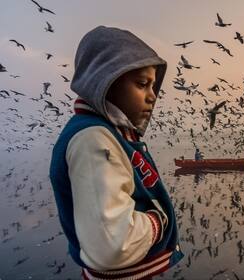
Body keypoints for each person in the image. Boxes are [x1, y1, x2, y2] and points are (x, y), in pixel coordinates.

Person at [49, 26, 184, 280]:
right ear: (106, 81)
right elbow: (112, 246)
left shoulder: (114, 136)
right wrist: (158, 221)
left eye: (154, 86)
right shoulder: (93, 139)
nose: (153, 96)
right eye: (143, 84)